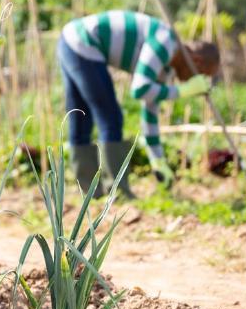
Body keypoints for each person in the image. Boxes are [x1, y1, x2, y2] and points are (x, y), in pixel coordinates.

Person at [58, 10, 220, 196]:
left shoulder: (166, 69)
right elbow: (140, 89)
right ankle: (117, 192)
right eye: (203, 75)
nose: (199, 82)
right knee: (109, 118)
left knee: (81, 117)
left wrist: (157, 160)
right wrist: (183, 91)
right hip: (83, 41)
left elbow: (149, 113)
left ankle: (90, 193)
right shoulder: (165, 43)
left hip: (70, 40)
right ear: (197, 62)